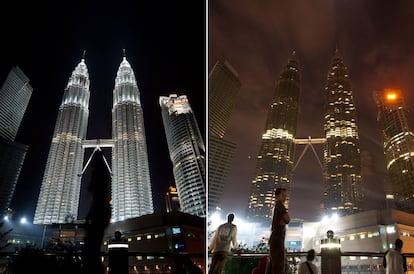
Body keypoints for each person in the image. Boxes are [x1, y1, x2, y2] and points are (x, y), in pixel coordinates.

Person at [266, 188, 290, 274]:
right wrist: (285, 220)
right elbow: (287, 219)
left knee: (272, 265)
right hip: (278, 238)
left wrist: (283, 221)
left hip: (274, 238)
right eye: (283, 195)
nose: (285, 197)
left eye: (285, 196)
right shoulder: (280, 206)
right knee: (278, 266)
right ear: (277, 196)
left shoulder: (275, 206)